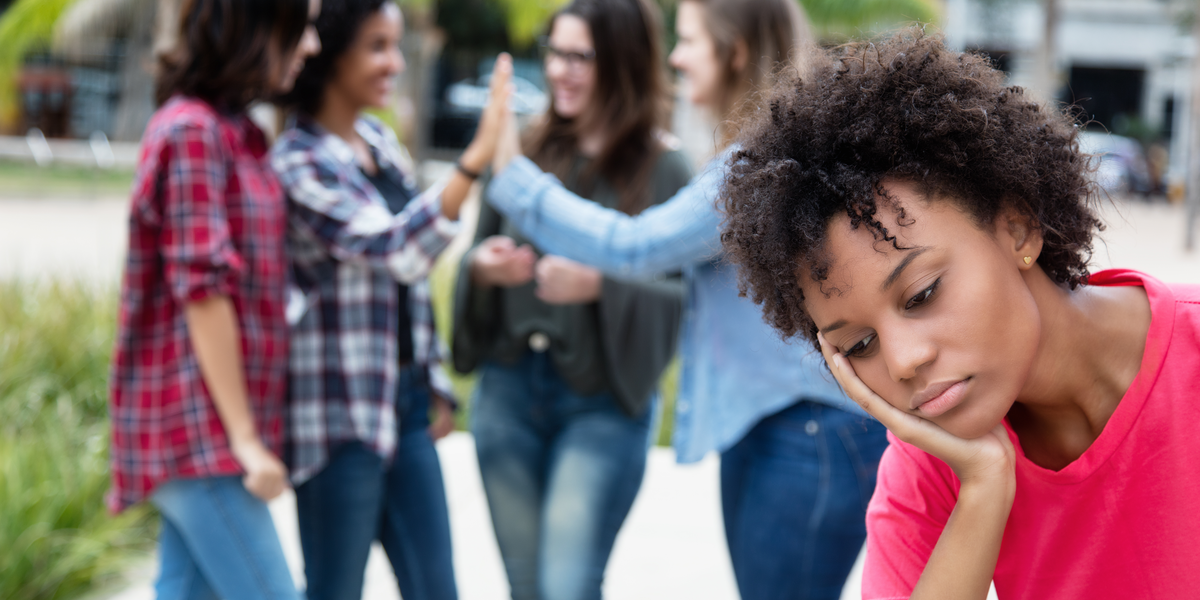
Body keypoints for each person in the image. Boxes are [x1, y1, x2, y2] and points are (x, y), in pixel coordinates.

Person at [718, 29, 1200, 599]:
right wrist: (982, 489)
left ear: (1016, 227)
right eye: (858, 346)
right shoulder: (935, 458)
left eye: (921, 294)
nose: (903, 361)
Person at [484, 0, 887, 598]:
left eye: (690, 40)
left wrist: (514, 177)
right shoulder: (763, 155)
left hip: (809, 435)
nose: (675, 56)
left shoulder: (755, 166)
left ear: (736, 51)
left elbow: (634, 246)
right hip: (785, 428)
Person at [270, 1, 511, 599]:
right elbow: (397, 247)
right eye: (377, 46)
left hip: (404, 406)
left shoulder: (377, 140)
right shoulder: (297, 161)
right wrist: (474, 159)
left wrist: (432, 382)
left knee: (436, 589)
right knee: (334, 590)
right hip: (338, 419)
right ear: (329, 55)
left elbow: (410, 282)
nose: (394, 63)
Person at [451, 0, 691, 597]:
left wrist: (599, 285)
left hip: (600, 406)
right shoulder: (526, 151)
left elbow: (689, 298)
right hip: (507, 394)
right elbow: (476, 251)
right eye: (555, 52)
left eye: (580, 55)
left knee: (567, 587)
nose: (560, 70)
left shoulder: (665, 168)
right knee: (527, 588)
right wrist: (481, 270)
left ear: (624, 62)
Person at [107, 1, 321, 599]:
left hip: (213, 433)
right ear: (254, 27)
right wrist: (246, 439)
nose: (312, 46)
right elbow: (203, 294)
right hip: (194, 430)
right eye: (298, 28)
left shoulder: (238, 133)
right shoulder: (193, 132)